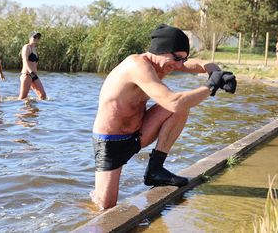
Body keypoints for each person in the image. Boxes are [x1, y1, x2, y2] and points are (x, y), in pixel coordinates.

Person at [91, 24, 237, 209]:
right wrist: (210, 86)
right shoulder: (137, 66)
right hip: (111, 142)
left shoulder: (163, 64)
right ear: (161, 50)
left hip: (138, 133)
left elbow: (201, 64)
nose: (178, 65)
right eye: (176, 58)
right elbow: (172, 101)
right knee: (105, 207)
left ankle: (155, 169)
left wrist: (218, 73)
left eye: (183, 59)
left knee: (183, 106)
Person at [18, 31, 46, 100]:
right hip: (27, 74)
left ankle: (34, 109)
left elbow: (35, 63)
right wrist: (31, 71)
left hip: (34, 75)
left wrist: (34, 73)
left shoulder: (35, 49)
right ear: (30, 38)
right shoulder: (27, 47)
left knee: (43, 95)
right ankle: (19, 110)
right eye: (34, 37)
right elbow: (25, 60)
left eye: (38, 37)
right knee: (22, 97)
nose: (36, 39)